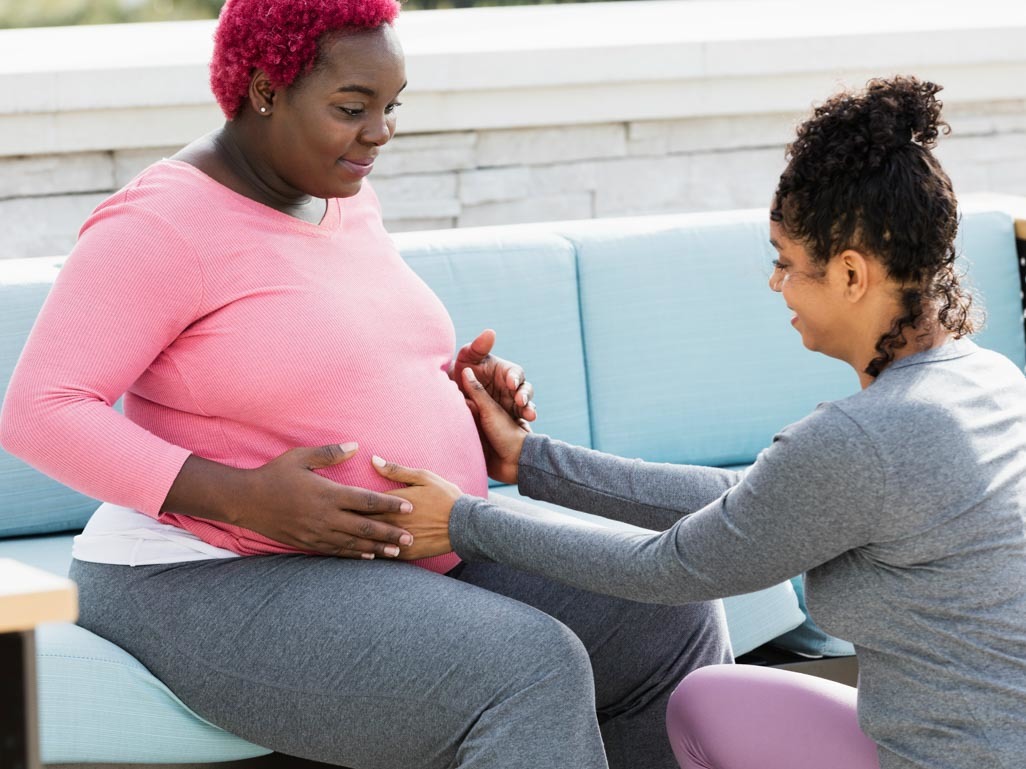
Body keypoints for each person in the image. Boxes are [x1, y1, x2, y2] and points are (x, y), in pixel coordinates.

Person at [0, 0, 732, 767]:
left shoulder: (334, 193)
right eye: (353, 108)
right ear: (263, 89)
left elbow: (329, 359)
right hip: (206, 572)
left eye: (391, 106)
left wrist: (458, 396)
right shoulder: (163, 223)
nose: (379, 132)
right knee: (524, 663)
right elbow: (41, 411)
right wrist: (242, 496)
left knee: (665, 612)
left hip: (403, 546)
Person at [365, 76, 1026, 769]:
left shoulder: (864, 439)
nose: (777, 285)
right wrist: (529, 463)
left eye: (788, 263)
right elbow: (754, 501)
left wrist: (464, 520)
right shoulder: (991, 381)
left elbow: (670, 568)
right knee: (711, 698)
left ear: (853, 275)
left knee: (699, 703)